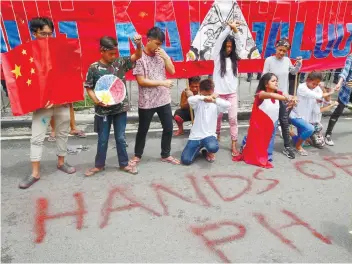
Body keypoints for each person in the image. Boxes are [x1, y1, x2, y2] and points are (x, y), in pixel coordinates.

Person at [19, 17, 75, 189]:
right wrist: (39, 101)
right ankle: (35, 172)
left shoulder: (60, 50)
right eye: (43, 34)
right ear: (34, 33)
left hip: (61, 103)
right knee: (36, 137)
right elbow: (23, 82)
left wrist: (67, 97)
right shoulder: (26, 54)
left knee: (62, 133)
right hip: (42, 106)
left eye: (50, 34)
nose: (47, 37)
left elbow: (69, 75)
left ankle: (61, 162)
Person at [83, 36, 142, 176]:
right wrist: (96, 100)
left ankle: (124, 164)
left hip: (120, 109)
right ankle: (99, 165)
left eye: (115, 53)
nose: (114, 56)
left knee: (120, 138)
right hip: (103, 111)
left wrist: (139, 44)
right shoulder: (94, 68)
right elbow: (89, 87)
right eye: (111, 53)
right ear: (102, 51)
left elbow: (138, 55)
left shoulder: (120, 62)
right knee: (102, 139)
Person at [131, 27, 180, 165]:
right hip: (147, 100)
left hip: (163, 98)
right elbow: (141, 81)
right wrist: (162, 83)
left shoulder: (160, 54)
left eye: (161, 44)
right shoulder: (140, 57)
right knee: (143, 129)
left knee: (169, 128)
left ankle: (166, 154)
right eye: (157, 44)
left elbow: (172, 70)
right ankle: (137, 155)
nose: (159, 47)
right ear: (149, 41)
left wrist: (165, 57)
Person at [234, 73, 295, 168]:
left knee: (270, 138)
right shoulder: (261, 94)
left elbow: (285, 95)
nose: (276, 83)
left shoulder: (279, 93)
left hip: (272, 121)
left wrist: (292, 99)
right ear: (266, 84)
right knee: (255, 137)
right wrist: (286, 98)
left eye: (276, 81)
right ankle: (246, 145)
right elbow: (271, 95)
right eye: (273, 81)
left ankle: (267, 154)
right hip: (260, 122)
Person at [263, 38, 302, 159]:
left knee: (284, 122)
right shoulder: (269, 60)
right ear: (276, 48)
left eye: (284, 51)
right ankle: (263, 145)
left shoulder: (287, 60)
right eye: (280, 50)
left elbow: (294, 73)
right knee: (269, 122)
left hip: (283, 96)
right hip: (271, 96)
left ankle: (287, 146)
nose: (281, 53)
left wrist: (299, 64)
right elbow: (264, 76)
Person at [213, 21, 247, 157]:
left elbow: (240, 45)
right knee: (217, 118)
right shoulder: (216, 56)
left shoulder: (235, 58)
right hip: (218, 95)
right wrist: (229, 28)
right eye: (226, 46)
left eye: (230, 47)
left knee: (233, 119)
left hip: (232, 94)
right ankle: (216, 136)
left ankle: (234, 144)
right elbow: (221, 38)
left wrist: (236, 31)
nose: (228, 49)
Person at [181, 79, 230, 165]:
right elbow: (190, 99)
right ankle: (197, 149)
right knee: (186, 161)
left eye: (209, 94)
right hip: (195, 137)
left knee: (213, 147)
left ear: (213, 92)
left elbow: (228, 105)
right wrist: (204, 98)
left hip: (209, 136)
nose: (208, 97)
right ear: (200, 91)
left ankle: (207, 151)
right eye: (205, 94)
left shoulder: (216, 104)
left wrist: (214, 100)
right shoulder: (198, 102)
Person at [289, 71, 335, 156]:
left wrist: (322, 88)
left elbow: (327, 100)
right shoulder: (302, 87)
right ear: (307, 80)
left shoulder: (317, 88)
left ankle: (290, 133)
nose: (315, 86)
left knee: (303, 140)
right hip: (296, 116)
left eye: (317, 84)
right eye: (314, 83)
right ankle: (298, 147)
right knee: (310, 129)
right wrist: (329, 93)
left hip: (306, 118)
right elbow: (317, 96)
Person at [325, 53, 352, 146]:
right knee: (338, 111)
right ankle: (328, 134)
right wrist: (339, 83)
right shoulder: (351, 56)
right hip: (347, 90)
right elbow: (345, 71)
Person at [307, 82, 338, 148]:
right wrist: (332, 104)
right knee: (318, 128)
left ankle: (313, 134)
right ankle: (308, 135)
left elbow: (328, 100)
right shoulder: (311, 97)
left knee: (320, 143)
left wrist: (323, 88)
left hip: (316, 122)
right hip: (309, 123)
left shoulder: (321, 94)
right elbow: (319, 110)